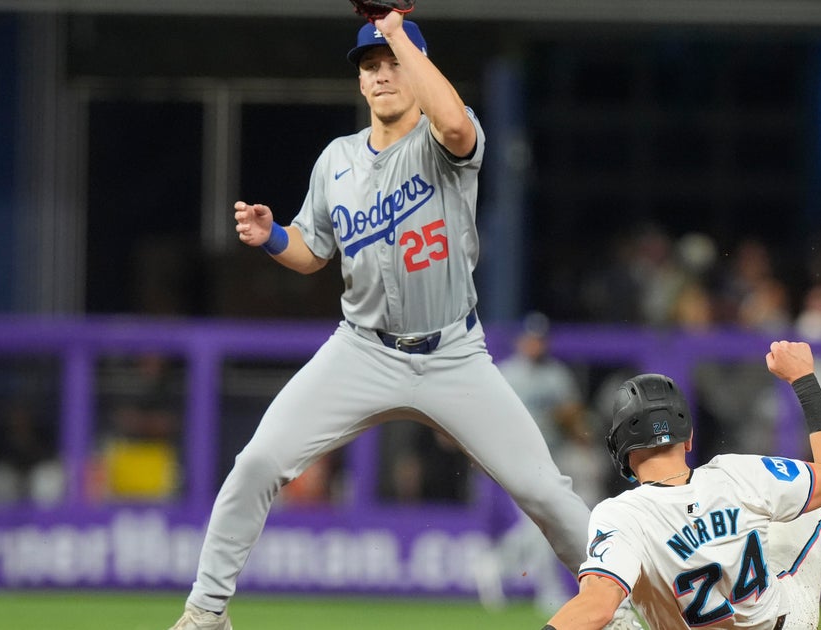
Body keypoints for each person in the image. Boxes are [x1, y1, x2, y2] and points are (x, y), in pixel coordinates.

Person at [168, 11, 592, 630]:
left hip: (453, 354)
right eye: (371, 66)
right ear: (360, 82)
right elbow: (313, 253)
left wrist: (396, 31)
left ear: (420, 69)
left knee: (546, 493)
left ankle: (634, 602)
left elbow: (451, 121)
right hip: (361, 351)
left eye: (393, 63)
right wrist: (271, 236)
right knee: (257, 462)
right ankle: (206, 612)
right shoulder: (336, 159)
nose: (382, 75)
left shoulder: (446, 142)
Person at [543, 340, 821, 630]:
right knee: (809, 521)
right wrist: (803, 379)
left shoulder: (621, 514)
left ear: (621, 450)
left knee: (614, 609)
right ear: (689, 439)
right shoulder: (735, 475)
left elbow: (594, 606)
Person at [475, 312, 608, 615]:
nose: (536, 344)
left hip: (552, 458)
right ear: (521, 340)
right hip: (517, 458)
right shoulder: (506, 373)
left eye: (540, 339)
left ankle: (497, 563)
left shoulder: (556, 375)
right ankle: (547, 592)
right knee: (540, 525)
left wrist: (575, 429)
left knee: (542, 524)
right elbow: (489, 417)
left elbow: (574, 419)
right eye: (531, 338)